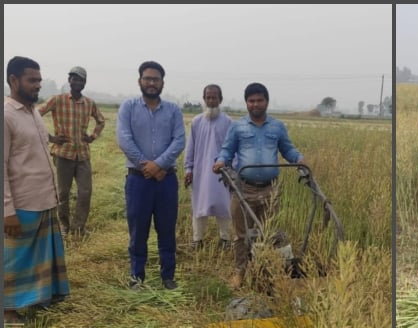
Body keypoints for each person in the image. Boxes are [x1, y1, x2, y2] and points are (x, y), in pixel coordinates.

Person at [212, 82, 305, 290]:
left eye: (259, 100)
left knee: (271, 233)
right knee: (241, 235)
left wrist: (300, 159)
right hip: (243, 188)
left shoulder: (277, 127)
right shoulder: (238, 127)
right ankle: (240, 271)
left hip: (270, 190)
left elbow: (288, 150)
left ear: (267, 102)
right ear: (246, 103)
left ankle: (270, 271)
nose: (255, 104)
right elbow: (227, 151)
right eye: (251, 101)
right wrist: (220, 162)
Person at [3, 56, 70, 324]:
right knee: (15, 260)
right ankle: (7, 312)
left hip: (43, 199)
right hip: (20, 204)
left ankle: (36, 299)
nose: (37, 86)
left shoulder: (33, 113)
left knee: (38, 256)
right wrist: (7, 211)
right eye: (32, 80)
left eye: (40, 81)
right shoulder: (6, 115)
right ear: (13, 80)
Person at [116, 60, 185, 290]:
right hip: (138, 179)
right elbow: (124, 139)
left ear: (162, 83)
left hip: (166, 180)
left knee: (167, 229)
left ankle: (168, 276)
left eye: (156, 79)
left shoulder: (173, 110)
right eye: (148, 78)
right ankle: (137, 277)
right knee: (138, 230)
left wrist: (159, 165)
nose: (152, 83)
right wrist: (147, 165)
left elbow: (179, 141)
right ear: (140, 81)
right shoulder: (128, 107)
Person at [38, 65, 106, 238]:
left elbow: (100, 121)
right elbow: (35, 115)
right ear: (69, 81)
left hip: (82, 155)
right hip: (63, 154)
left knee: (85, 191)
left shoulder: (89, 103)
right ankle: (64, 225)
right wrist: (51, 138)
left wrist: (92, 136)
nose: (77, 82)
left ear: (84, 83)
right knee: (63, 193)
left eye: (81, 79)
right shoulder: (58, 100)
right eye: (74, 78)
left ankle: (78, 228)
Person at [183, 84, 232, 250]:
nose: (211, 101)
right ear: (204, 99)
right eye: (208, 97)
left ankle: (226, 239)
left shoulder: (228, 122)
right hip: (200, 172)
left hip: (222, 173)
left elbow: (233, 149)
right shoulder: (197, 122)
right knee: (198, 204)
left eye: (214, 97)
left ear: (220, 99)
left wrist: (232, 171)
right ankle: (197, 240)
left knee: (224, 205)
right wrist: (188, 169)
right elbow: (190, 148)